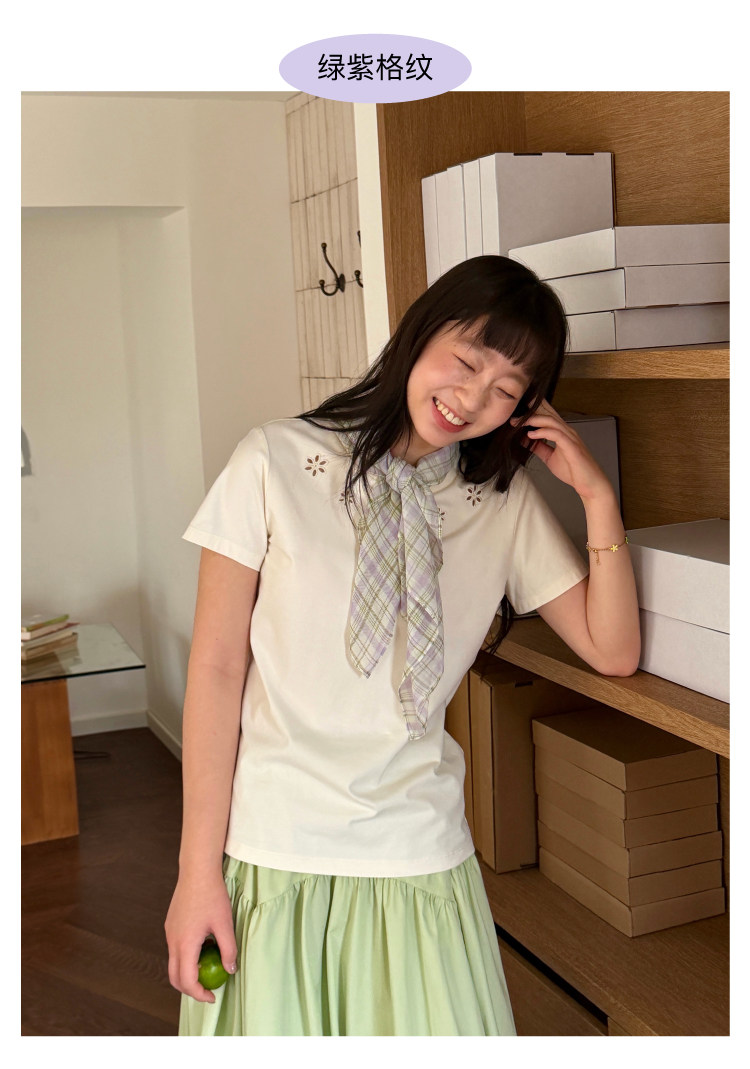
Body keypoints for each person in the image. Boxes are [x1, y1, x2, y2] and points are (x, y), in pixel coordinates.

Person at [165, 255, 641, 1036]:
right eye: (468, 361)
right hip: (275, 846)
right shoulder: (273, 460)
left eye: (507, 389)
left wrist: (595, 494)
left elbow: (612, 649)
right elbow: (216, 669)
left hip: (418, 853)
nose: (472, 399)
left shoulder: (501, 504)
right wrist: (195, 875)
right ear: (421, 331)